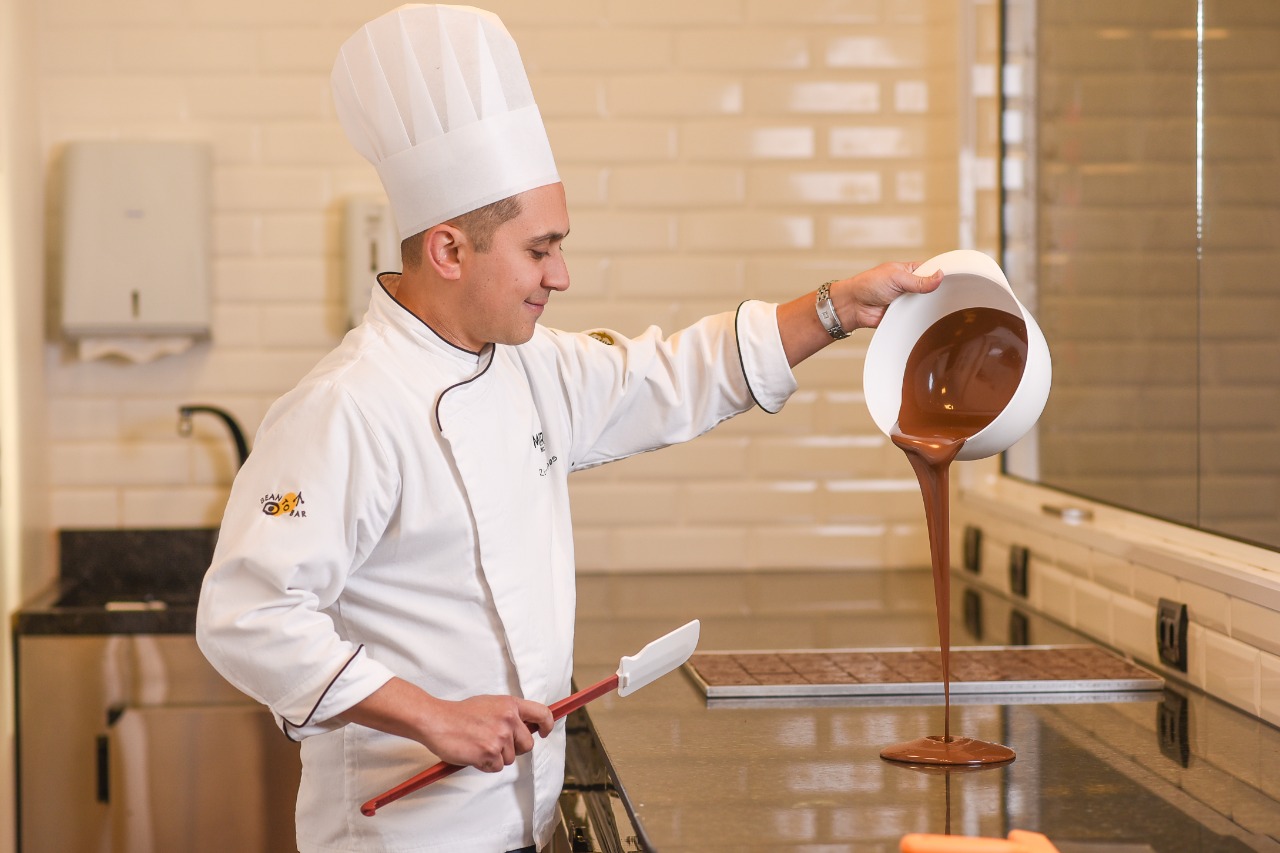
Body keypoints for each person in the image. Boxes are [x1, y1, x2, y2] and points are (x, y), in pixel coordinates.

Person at [195, 5, 943, 853]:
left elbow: (675, 375)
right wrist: (433, 716)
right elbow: (247, 614)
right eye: (540, 249)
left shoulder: (527, 362)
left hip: (524, 820)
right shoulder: (347, 405)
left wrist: (837, 308)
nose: (563, 274)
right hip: (402, 838)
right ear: (448, 250)